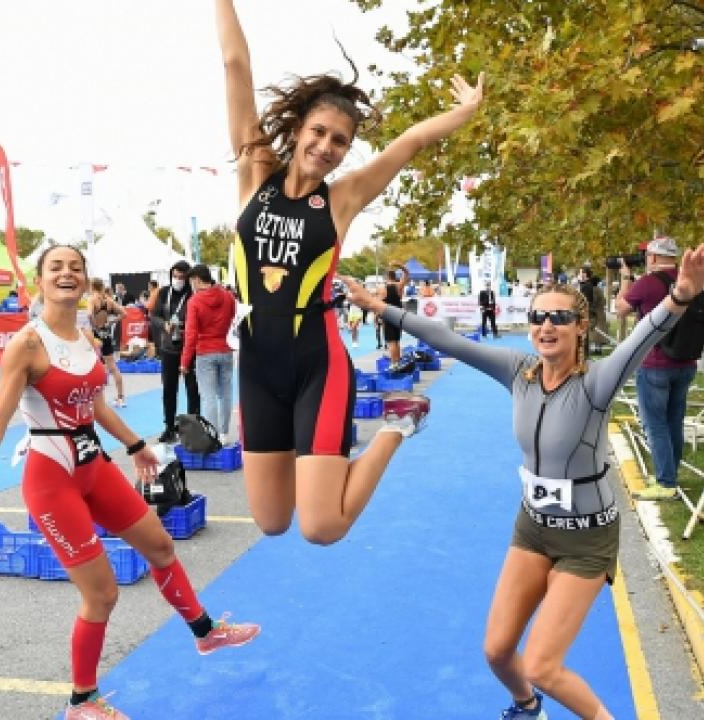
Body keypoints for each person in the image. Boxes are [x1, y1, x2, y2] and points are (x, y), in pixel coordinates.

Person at [344, 245, 704, 720]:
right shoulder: (518, 372)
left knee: (542, 664)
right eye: (538, 316)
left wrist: (680, 296)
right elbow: (448, 340)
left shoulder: (597, 383)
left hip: (587, 537)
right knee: (498, 652)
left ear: (580, 327)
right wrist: (378, 307)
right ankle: (527, 708)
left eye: (559, 318)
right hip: (533, 528)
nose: (546, 326)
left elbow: (644, 336)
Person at [0, 246, 258, 720]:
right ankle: (81, 701)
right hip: (51, 480)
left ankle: (205, 632)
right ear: (39, 281)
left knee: (161, 547)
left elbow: (94, 405)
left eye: (75, 267)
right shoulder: (27, 345)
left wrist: (135, 446)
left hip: (94, 465)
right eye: (56, 267)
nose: (67, 273)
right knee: (101, 594)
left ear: (85, 280)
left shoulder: (85, 338)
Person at [217, 0, 481, 543]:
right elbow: (235, 64)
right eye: (318, 132)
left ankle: (397, 424)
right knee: (272, 521)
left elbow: (410, 143)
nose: (326, 147)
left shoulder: (341, 200)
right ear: (298, 128)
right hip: (257, 366)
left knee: (322, 527)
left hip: (317, 363)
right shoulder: (255, 171)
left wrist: (465, 113)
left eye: (340, 141)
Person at [614, 237, 698, 501]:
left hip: (655, 364)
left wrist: (625, 277)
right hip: (686, 362)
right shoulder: (688, 281)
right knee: (674, 421)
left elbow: (620, 309)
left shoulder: (647, 283)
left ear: (651, 257)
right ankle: (669, 472)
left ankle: (665, 482)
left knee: (655, 424)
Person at [179, 264, 237, 445]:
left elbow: (191, 334)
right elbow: (234, 321)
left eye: (191, 281)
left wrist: (185, 362)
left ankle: (213, 436)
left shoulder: (194, 301)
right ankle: (224, 433)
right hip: (226, 349)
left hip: (205, 352)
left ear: (197, 279)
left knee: (208, 396)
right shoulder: (228, 296)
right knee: (226, 393)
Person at [148, 261, 200, 443]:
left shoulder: (193, 293)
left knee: (193, 389)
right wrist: (164, 324)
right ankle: (169, 426)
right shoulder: (164, 292)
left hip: (190, 349)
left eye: (181, 277)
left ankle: (194, 428)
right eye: (175, 276)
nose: (178, 280)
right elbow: (154, 316)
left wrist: (185, 327)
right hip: (169, 348)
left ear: (188, 277)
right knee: (169, 390)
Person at [88, 278, 126, 408]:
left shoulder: (92, 299)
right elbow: (124, 313)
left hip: (95, 336)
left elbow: (89, 315)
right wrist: (111, 322)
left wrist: (94, 326)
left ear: (92, 286)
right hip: (106, 334)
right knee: (112, 367)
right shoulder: (108, 300)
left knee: (92, 367)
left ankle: (94, 401)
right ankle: (121, 398)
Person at [383, 263, 412, 363]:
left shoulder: (383, 288)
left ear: (387, 277)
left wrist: (377, 316)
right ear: (395, 276)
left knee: (391, 341)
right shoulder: (399, 285)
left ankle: (394, 363)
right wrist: (399, 265)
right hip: (399, 314)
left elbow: (378, 303)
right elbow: (407, 273)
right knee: (396, 340)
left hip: (388, 314)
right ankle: (398, 362)